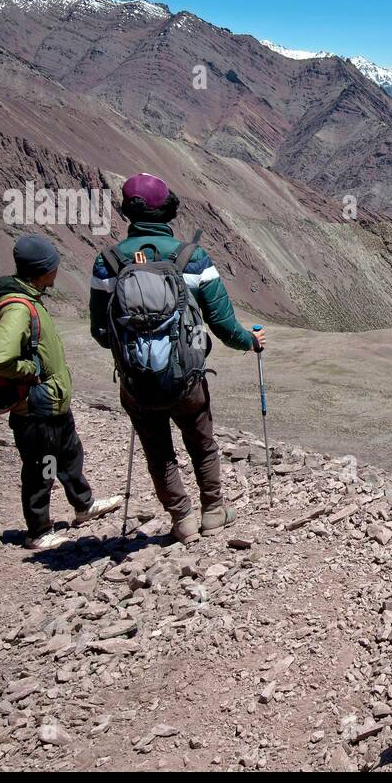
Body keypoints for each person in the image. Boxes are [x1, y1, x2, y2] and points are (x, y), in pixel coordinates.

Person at [90, 173, 266, 542]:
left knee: (158, 452)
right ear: (166, 210)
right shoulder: (193, 258)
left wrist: (138, 353)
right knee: (202, 443)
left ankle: (182, 519)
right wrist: (251, 341)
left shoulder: (107, 263)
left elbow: (101, 332)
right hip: (187, 380)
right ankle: (214, 511)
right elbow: (223, 325)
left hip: (137, 383)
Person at [0, 236, 122, 549]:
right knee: (40, 468)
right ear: (43, 270)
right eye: (53, 267)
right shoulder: (18, 308)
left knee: (70, 455)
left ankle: (84, 506)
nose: (57, 273)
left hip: (52, 403)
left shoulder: (30, 299)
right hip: (35, 408)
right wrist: (30, 372)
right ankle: (38, 532)